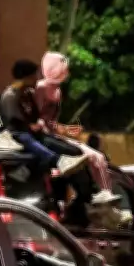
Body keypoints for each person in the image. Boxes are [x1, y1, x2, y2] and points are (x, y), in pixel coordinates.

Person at [35, 51, 112, 192]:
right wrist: (58, 131)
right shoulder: (40, 88)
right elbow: (38, 118)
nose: (67, 72)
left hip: (54, 135)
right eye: (63, 67)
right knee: (87, 156)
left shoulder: (57, 90)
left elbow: (51, 122)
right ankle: (96, 191)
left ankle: (104, 192)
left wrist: (66, 129)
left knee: (98, 157)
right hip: (44, 137)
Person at [0, 59, 88, 177]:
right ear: (26, 77)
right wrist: (31, 126)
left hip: (34, 134)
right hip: (17, 135)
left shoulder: (28, 94)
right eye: (34, 75)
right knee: (27, 138)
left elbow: (36, 116)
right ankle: (56, 161)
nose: (37, 79)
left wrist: (38, 124)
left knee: (73, 150)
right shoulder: (10, 95)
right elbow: (14, 122)